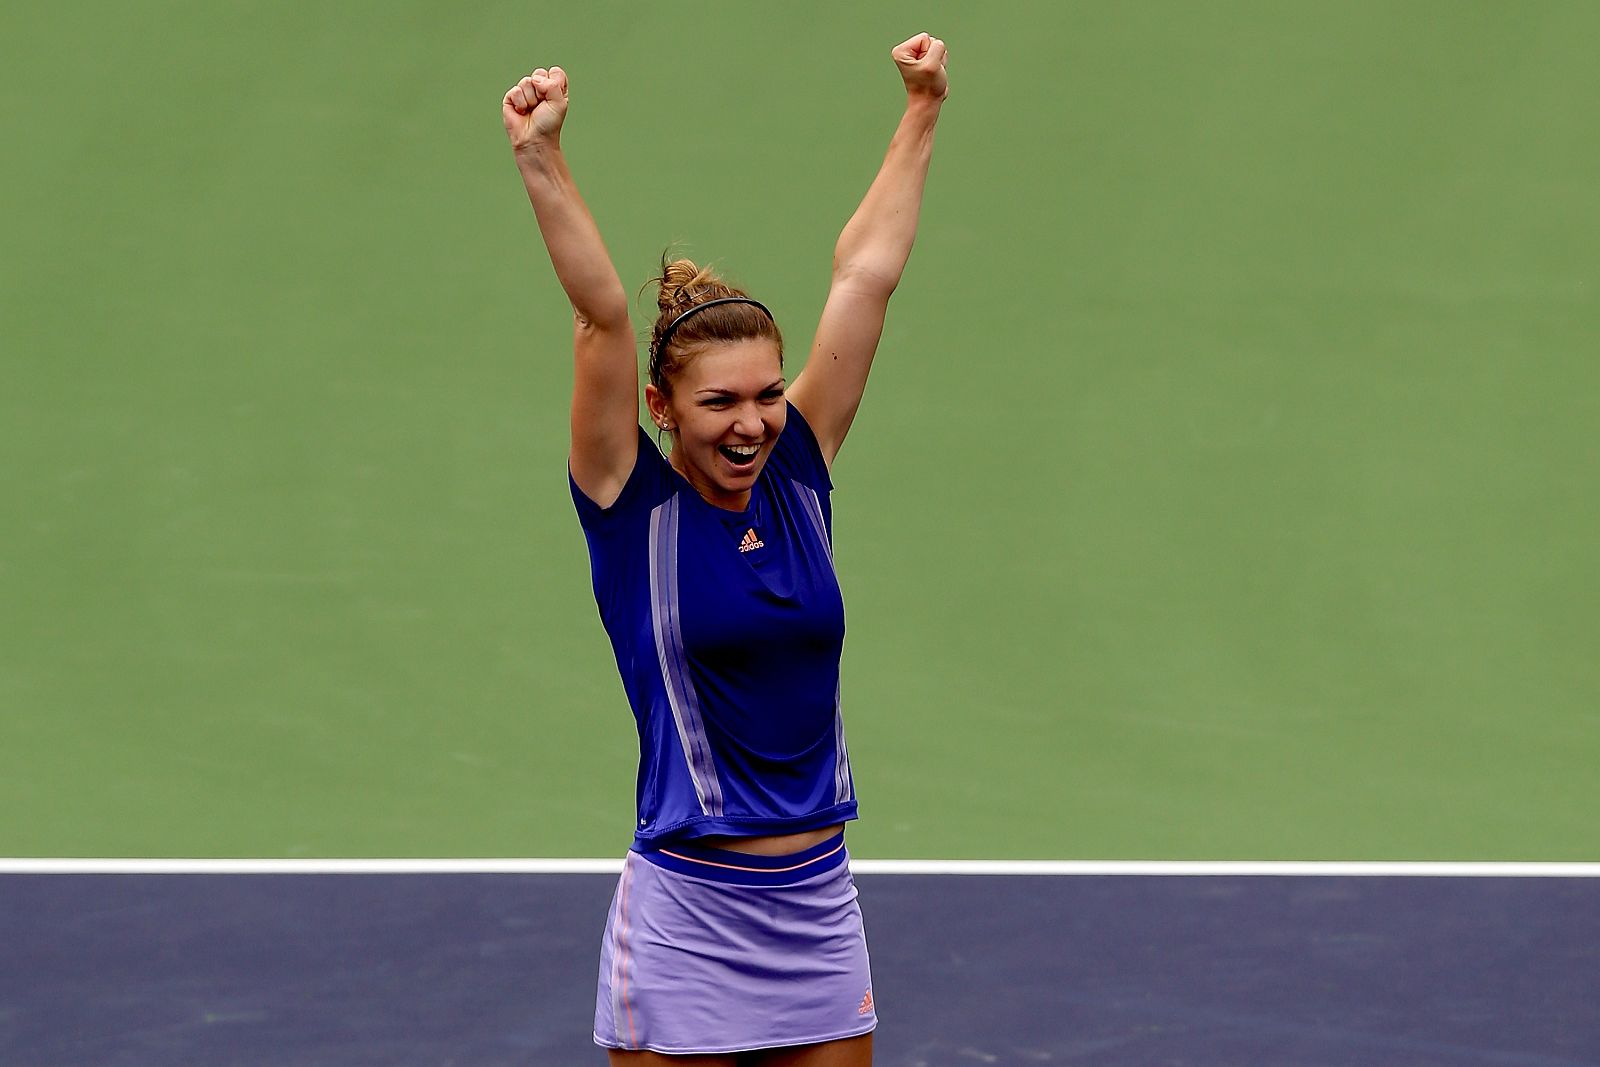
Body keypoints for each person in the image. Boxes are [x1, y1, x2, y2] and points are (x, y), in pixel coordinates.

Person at [502, 31, 948, 1067]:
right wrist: (541, 157)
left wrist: (921, 109)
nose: (750, 421)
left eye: (765, 393)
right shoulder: (629, 505)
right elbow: (600, 316)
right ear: (660, 407)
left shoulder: (799, 467)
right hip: (689, 917)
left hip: (818, 909)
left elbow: (866, 275)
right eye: (718, 402)